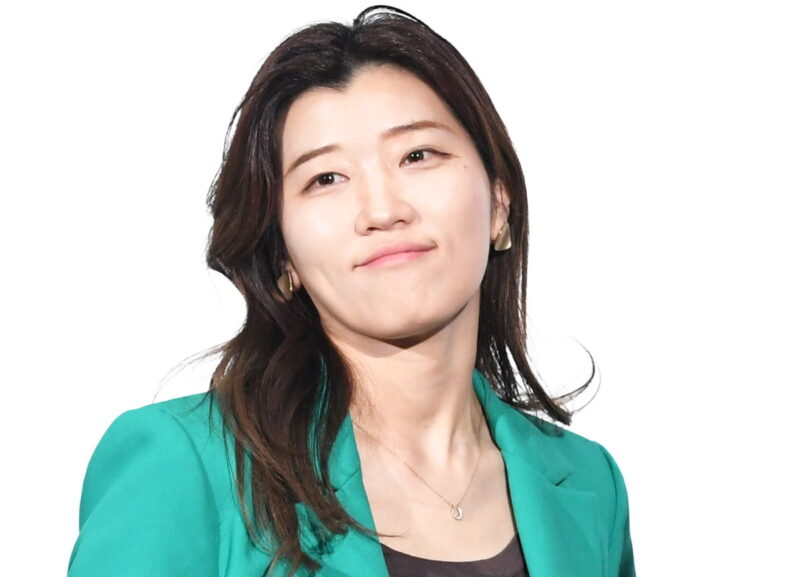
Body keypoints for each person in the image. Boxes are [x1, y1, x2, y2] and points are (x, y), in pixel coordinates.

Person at [67, 5, 635, 577]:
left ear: (499, 203)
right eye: (326, 179)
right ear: (282, 254)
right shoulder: (183, 465)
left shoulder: (591, 485)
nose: (383, 210)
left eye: (417, 155)